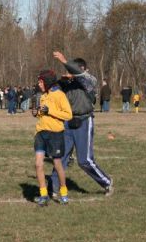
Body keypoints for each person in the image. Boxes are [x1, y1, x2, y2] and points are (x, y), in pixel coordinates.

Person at [50, 51, 113, 198]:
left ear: (82, 70)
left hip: (84, 121)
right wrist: (58, 82)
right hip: (67, 122)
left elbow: (80, 75)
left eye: (71, 70)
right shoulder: (65, 84)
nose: (68, 73)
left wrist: (65, 61)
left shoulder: (89, 81)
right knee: (61, 157)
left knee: (84, 160)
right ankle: (53, 188)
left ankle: (106, 182)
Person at [33, 70, 72, 206]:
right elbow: (41, 114)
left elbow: (68, 115)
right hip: (40, 134)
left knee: (57, 164)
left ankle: (64, 192)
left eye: (41, 81)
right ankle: (43, 195)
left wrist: (50, 111)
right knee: (38, 164)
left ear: (48, 81)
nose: (39, 84)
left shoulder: (60, 95)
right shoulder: (43, 96)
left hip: (55, 134)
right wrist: (36, 112)